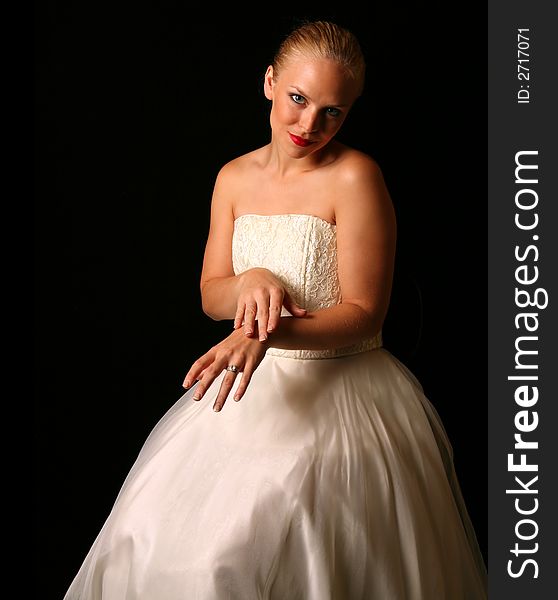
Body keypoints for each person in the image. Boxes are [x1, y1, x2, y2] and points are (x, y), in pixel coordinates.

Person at [64, 20, 487, 599]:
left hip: (343, 400)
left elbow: (366, 313)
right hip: (246, 393)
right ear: (269, 81)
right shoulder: (233, 178)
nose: (309, 124)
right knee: (173, 549)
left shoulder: (356, 177)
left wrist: (267, 335)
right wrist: (251, 283)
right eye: (298, 98)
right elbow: (213, 292)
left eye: (333, 112)